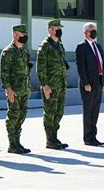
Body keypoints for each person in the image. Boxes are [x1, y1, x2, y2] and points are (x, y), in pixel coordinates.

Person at [36, 19, 70, 150]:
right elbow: (41, 67)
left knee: (59, 111)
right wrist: (45, 85)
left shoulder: (60, 45)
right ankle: (50, 140)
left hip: (61, 84)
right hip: (50, 85)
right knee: (50, 112)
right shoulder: (45, 45)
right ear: (50, 30)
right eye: (57, 28)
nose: (59, 30)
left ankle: (54, 137)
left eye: (60, 28)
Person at [0, 24, 32, 154]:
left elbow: (27, 70)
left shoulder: (24, 51)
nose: (25, 37)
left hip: (24, 89)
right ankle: (12, 144)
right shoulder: (8, 51)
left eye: (26, 35)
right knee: (13, 116)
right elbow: (4, 73)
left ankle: (18, 142)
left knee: (21, 116)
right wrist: (8, 89)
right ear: (15, 35)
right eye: (23, 35)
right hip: (14, 90)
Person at [75, 22, 104, 146]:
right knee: (88, 111)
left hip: (98, 83)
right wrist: (85, 83)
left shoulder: (98, 46)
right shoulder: (81, 47)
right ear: (85, 33)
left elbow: (102, 65)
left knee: (95, 110)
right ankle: (88, 138)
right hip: (88, 85)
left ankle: (93, 136)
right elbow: (80, 67)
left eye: (95, 30)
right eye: (91, 30)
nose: (94, 32)